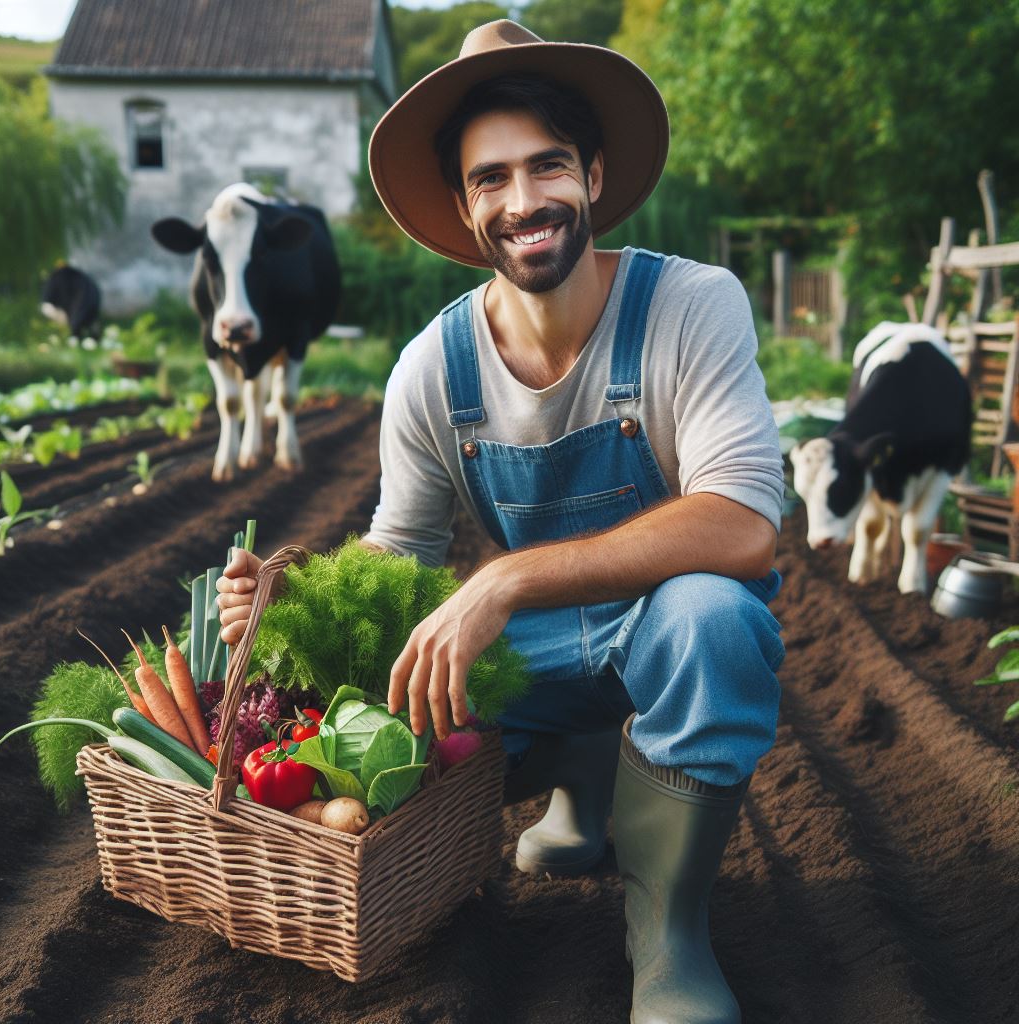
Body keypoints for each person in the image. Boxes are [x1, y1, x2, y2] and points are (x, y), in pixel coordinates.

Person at [217, 20, 785, 1024]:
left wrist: (507, 578)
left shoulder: (689, 305)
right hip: (535, 658)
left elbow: (742, 524)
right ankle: (582, 786)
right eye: (491, 179)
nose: (522, 201)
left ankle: (668, 933)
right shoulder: (432, 369)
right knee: (391, 686)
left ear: (595, 174)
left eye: (546, 166)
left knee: (712, 617)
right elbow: (398, 560)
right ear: (463, 204)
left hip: (656, 625)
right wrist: (296, 597)